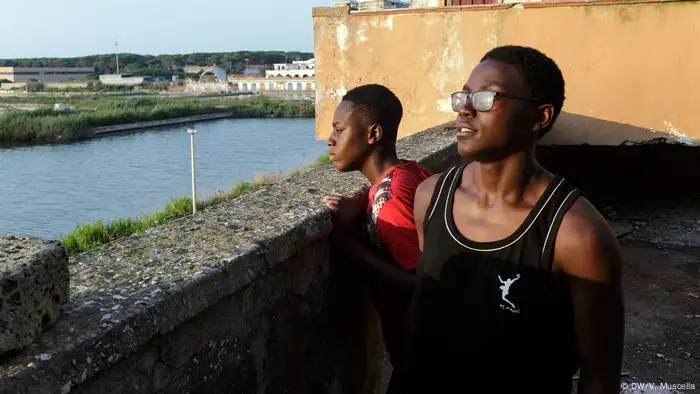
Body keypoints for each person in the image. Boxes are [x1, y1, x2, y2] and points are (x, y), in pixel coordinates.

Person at [399, 46, 625, 393]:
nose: (465, 108)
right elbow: (421, 312)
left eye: (488, 96)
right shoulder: (430, 196)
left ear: (540, 116)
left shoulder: (577, 234)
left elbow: (600, 375)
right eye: (464, 95)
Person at [322, 83, 432, 389]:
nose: (330, 140)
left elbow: (423, 283)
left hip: (423, 359)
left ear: (373, 135)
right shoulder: (409, 173)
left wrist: (348, 244)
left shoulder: (391, 198)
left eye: (339, 130)